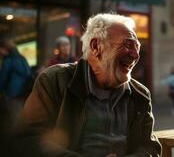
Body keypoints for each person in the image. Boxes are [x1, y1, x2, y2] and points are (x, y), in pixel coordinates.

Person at [13, 14, 161, 157]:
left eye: (137, 46)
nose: (136, 55)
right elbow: (29, 141)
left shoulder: (139, 94)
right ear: (96, 46)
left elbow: (150, 148)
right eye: (128, 44)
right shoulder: (55, 80)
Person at [0, 38, 31, 122]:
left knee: (14, 120)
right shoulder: (22, 58)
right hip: (24, 92)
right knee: (21, 117)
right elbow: (28, 73)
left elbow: (2, 78)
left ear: (4, 49)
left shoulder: (8, 60)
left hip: (12, 94)